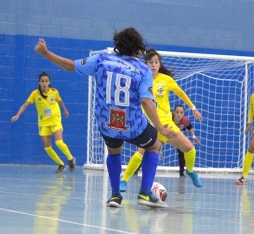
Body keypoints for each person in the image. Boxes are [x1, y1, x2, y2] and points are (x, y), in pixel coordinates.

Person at [34, 27, 176, 208]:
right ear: (138, 49)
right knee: (154, 145)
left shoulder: (101, 60)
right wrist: (161, 128)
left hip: (107, 123)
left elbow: (71, 65)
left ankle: (116, 196)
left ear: (118, 44)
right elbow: (147, 102)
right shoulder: (143, 70)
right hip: (133, 125)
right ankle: (145, 193)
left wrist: (46, 53)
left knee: (114, 151)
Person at [120, 48, 203, 192]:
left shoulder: (166, 80)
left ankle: (190, 171)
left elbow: (180, 93)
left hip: (166, 123)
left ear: (159, 64)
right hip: (148, 123)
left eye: (156, 62)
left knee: (190, 149)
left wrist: (193, 107)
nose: (153, 64)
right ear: (145, 64)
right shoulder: (140, 79)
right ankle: (124, 180)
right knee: (142, 151)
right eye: (150, 62)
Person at [11, 72, 76, 173]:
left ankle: (70, 158)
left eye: (46, 81)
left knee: (59, 142)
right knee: (47, 147)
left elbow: (60, 101)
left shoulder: (54, 92)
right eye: (42, 81)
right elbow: (24, 105)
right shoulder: (35, 94)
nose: (44, 83)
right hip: (43, 123)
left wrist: (65, 110)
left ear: (49, 82)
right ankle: (61, 164)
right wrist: (17, 115)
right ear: (39, 83)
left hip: (55, 119)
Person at [172, 105, 201, 176]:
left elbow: (189, 127)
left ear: (184, 113)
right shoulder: (169, 118)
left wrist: (194, 137)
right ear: (174, 113)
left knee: (182, 151)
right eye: (177, 112)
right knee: (152, 149)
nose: (179, 114)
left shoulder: (184, 120)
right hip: (165, 135)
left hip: (175, 136)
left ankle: (182, 172)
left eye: (181, 112)